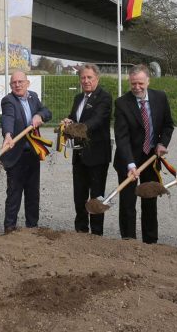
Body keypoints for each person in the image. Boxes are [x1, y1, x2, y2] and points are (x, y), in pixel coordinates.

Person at [113, 64, 174, 244]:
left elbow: (168, 125)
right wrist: (130, 164)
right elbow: (121, 137)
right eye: (133, 84)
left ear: (148, 80)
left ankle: (150, 241)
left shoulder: (160, 97)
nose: (137, 87)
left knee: (149, 199)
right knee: (128, 202)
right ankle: (128, 239)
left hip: (151, 157)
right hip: (128, 158)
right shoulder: (122, 103)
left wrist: (163, 143)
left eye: (140, 83)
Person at [63, 63, 112, 236]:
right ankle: (81, 230)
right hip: (79, 156)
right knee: (79, 196)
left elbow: (97, 121)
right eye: (83, 77)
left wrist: (77, 128)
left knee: (97, 196)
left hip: (97, 155)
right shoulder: (78, 98)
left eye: (89, 77)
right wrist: (68, 121)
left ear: (97, 78)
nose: (86, 81)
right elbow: (73, 116)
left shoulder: (104, 98)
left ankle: (97, 233)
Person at [1, 70, 52, 233]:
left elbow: (47, 112)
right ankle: (9, 228)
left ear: (27, 83)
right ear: (10, 85)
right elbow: (7, 117)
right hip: (16, 154)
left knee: (32, 193)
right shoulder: (8, 100)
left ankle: (32, 227)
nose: (17, 85)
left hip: (32, 154)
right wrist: (8, 134)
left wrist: (39, 115)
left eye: (20, 82)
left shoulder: (33, 97)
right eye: (14, 83)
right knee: (14, 193)